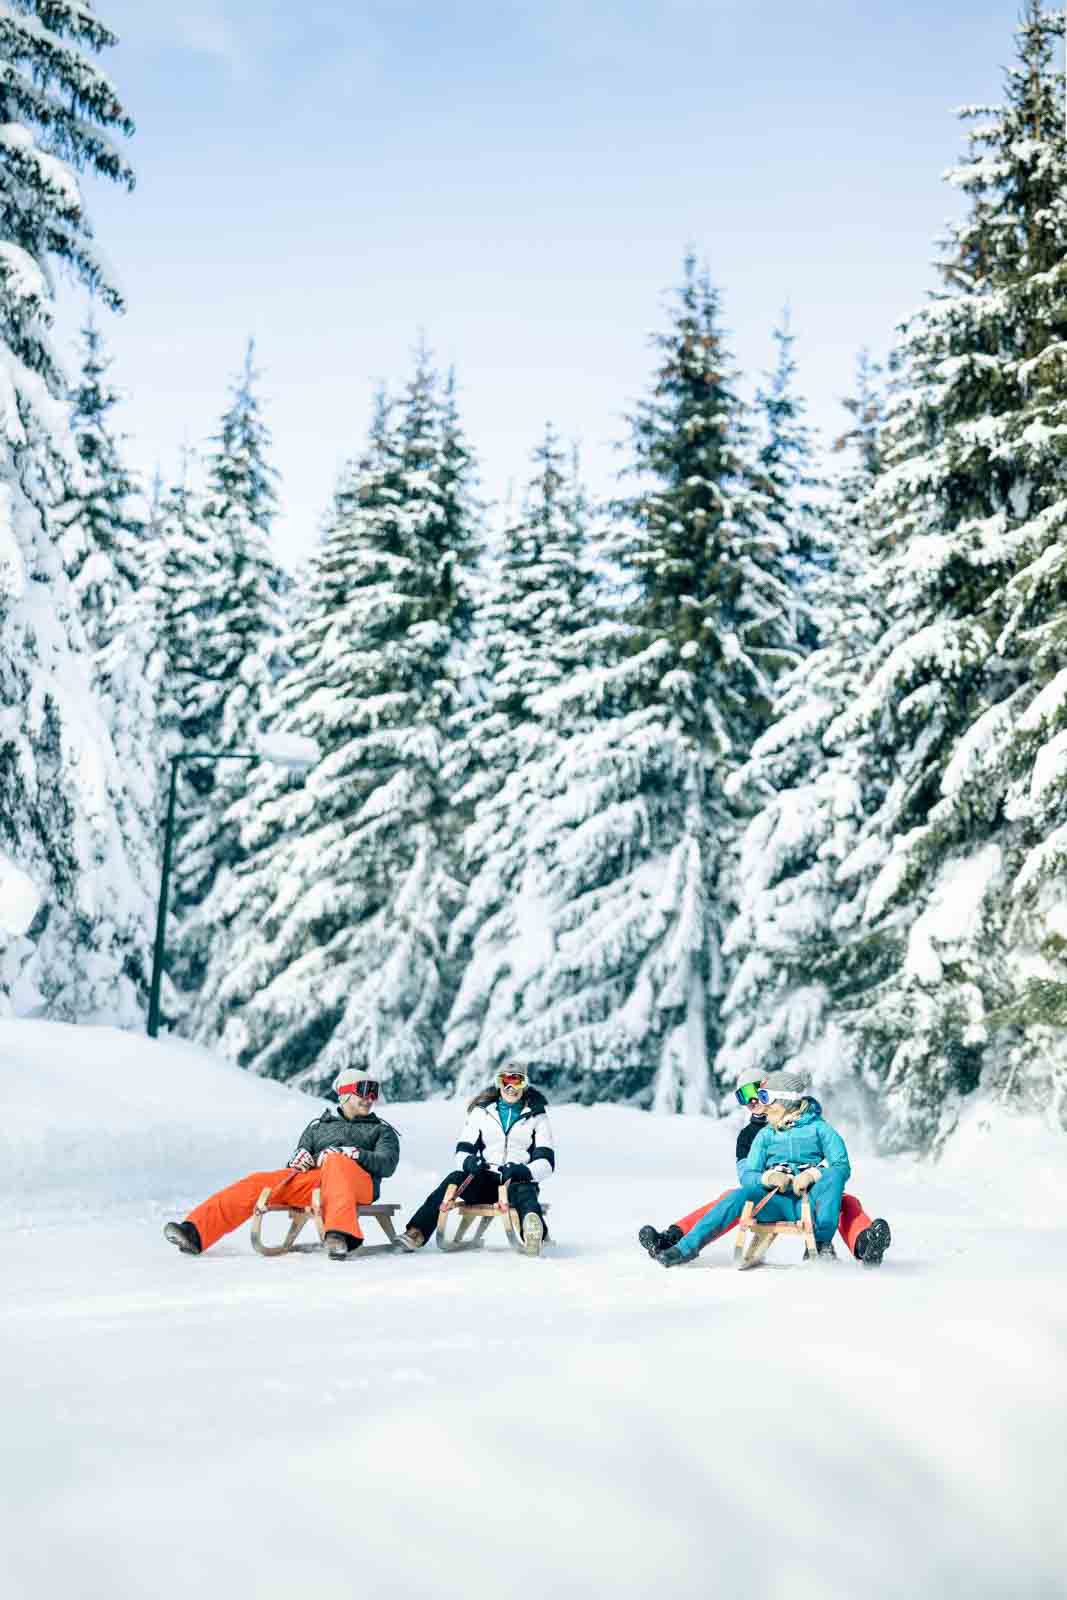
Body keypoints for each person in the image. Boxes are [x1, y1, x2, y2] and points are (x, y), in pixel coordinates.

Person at [638, 1068, 891, 1267]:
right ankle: (678, 1241)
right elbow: (747, 1175)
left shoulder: (817, 1127)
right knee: (733, 1197)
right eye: (744, 1097)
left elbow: (840, 1166)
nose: (754, 1102)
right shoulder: (755, 1135)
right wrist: (768, 1177)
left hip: (811, 1199)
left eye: (759, 1094)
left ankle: (859, 1243)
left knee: (844, 1198)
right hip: (772, 1199)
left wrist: (814, 1174)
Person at [163, 1068, 401, 1261]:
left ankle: (341, 1235)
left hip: (359, 1184)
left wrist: (352, 1154)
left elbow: (387, 1164)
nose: (370, 1098)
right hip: (316, 1183)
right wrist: (299, 1157)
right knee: (259, 1182)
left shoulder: (381, 1130)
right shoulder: (318, 1127)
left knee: (336, 1161)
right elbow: (297, 1162)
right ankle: (194, 1232)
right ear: (346, 1093)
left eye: (374, 1092)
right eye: (364, 1091)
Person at [396, 1067, 555, 1255]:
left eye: (517, 1081)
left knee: (525, 1192)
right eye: (505, 1082)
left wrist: (525, 1171)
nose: (511, 1088)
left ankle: (533, 1233)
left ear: (525, 1084)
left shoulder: (537, 1116)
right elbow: (463, 1149)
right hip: (485, 1180)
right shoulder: (482, 1112)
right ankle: (417, 1232)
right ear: (498, 1084)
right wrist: (469, 1162)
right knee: (455, 1178)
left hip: (517, 1180)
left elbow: (546, 1161)